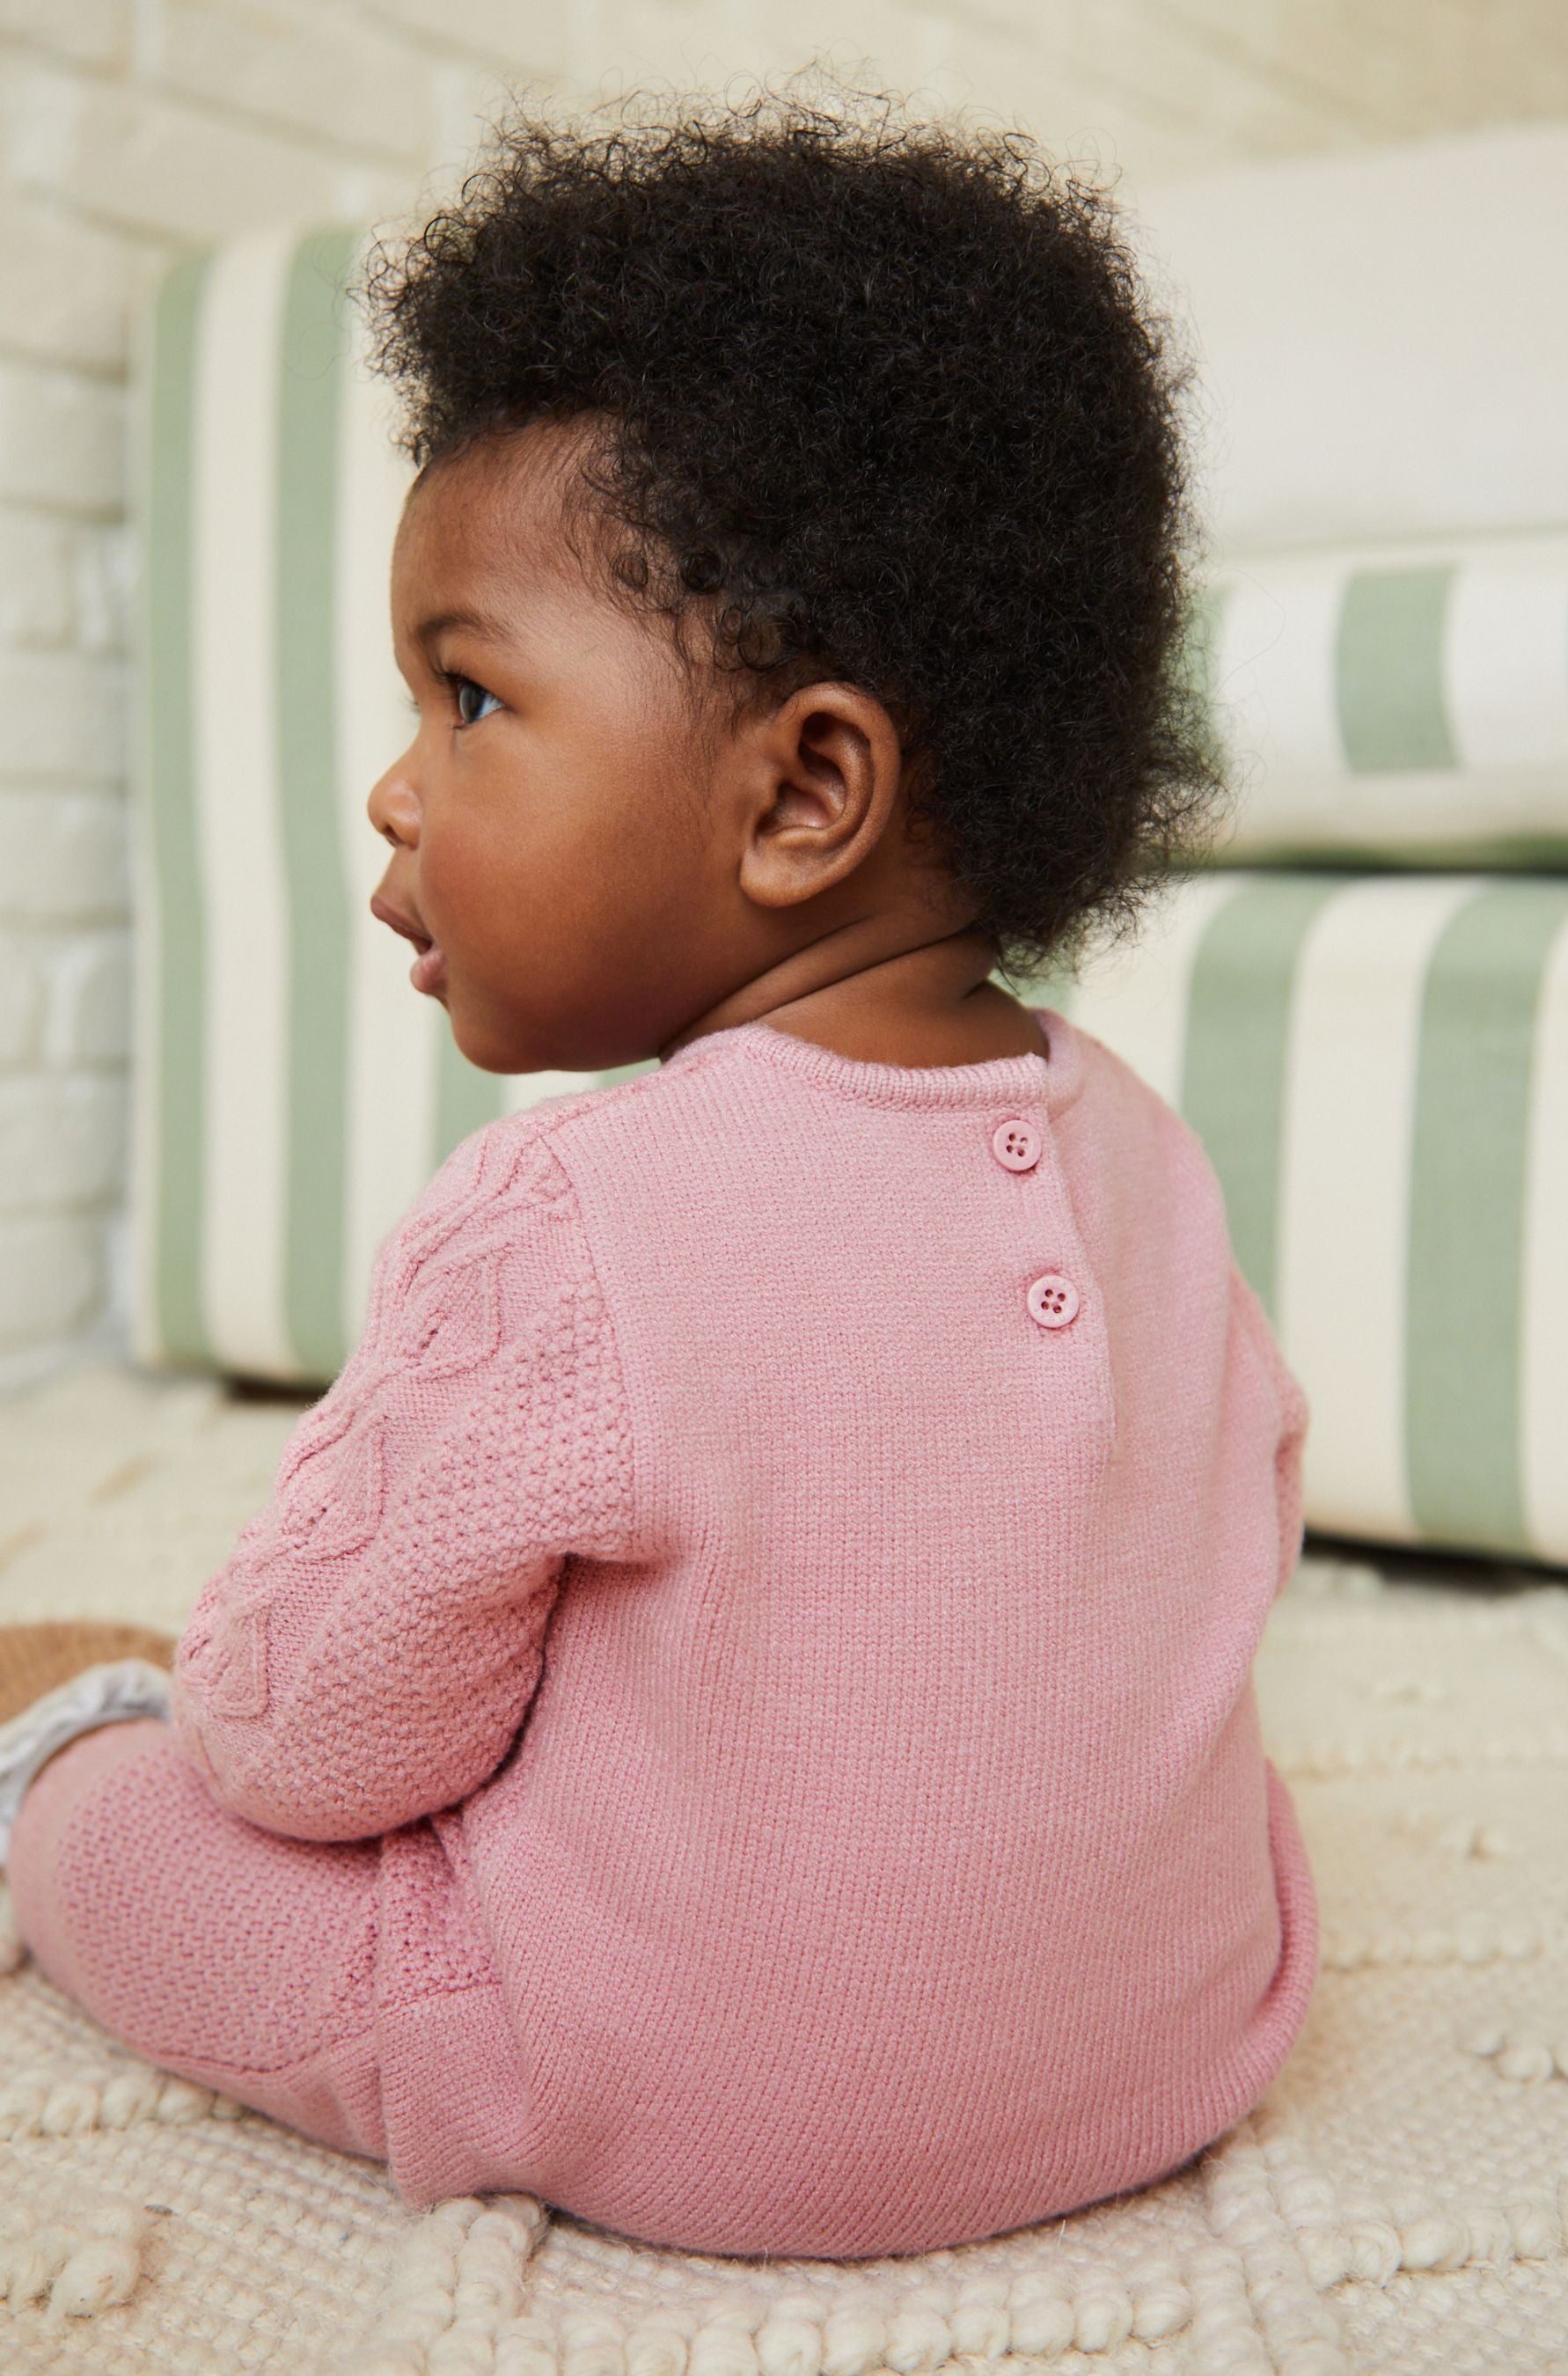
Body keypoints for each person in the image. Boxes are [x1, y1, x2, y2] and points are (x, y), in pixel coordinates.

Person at [0, 87, 1316, 2261]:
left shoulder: (575, 1219)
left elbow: (315, 1741)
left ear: (803, 792)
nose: (395, 791)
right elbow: (1225, 1540)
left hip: (689, 2103)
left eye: (470, 697)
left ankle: (39, 1782)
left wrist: (194, 1707)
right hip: (1175, 2038)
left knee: (168, 1836)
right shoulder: (1151, 1160)